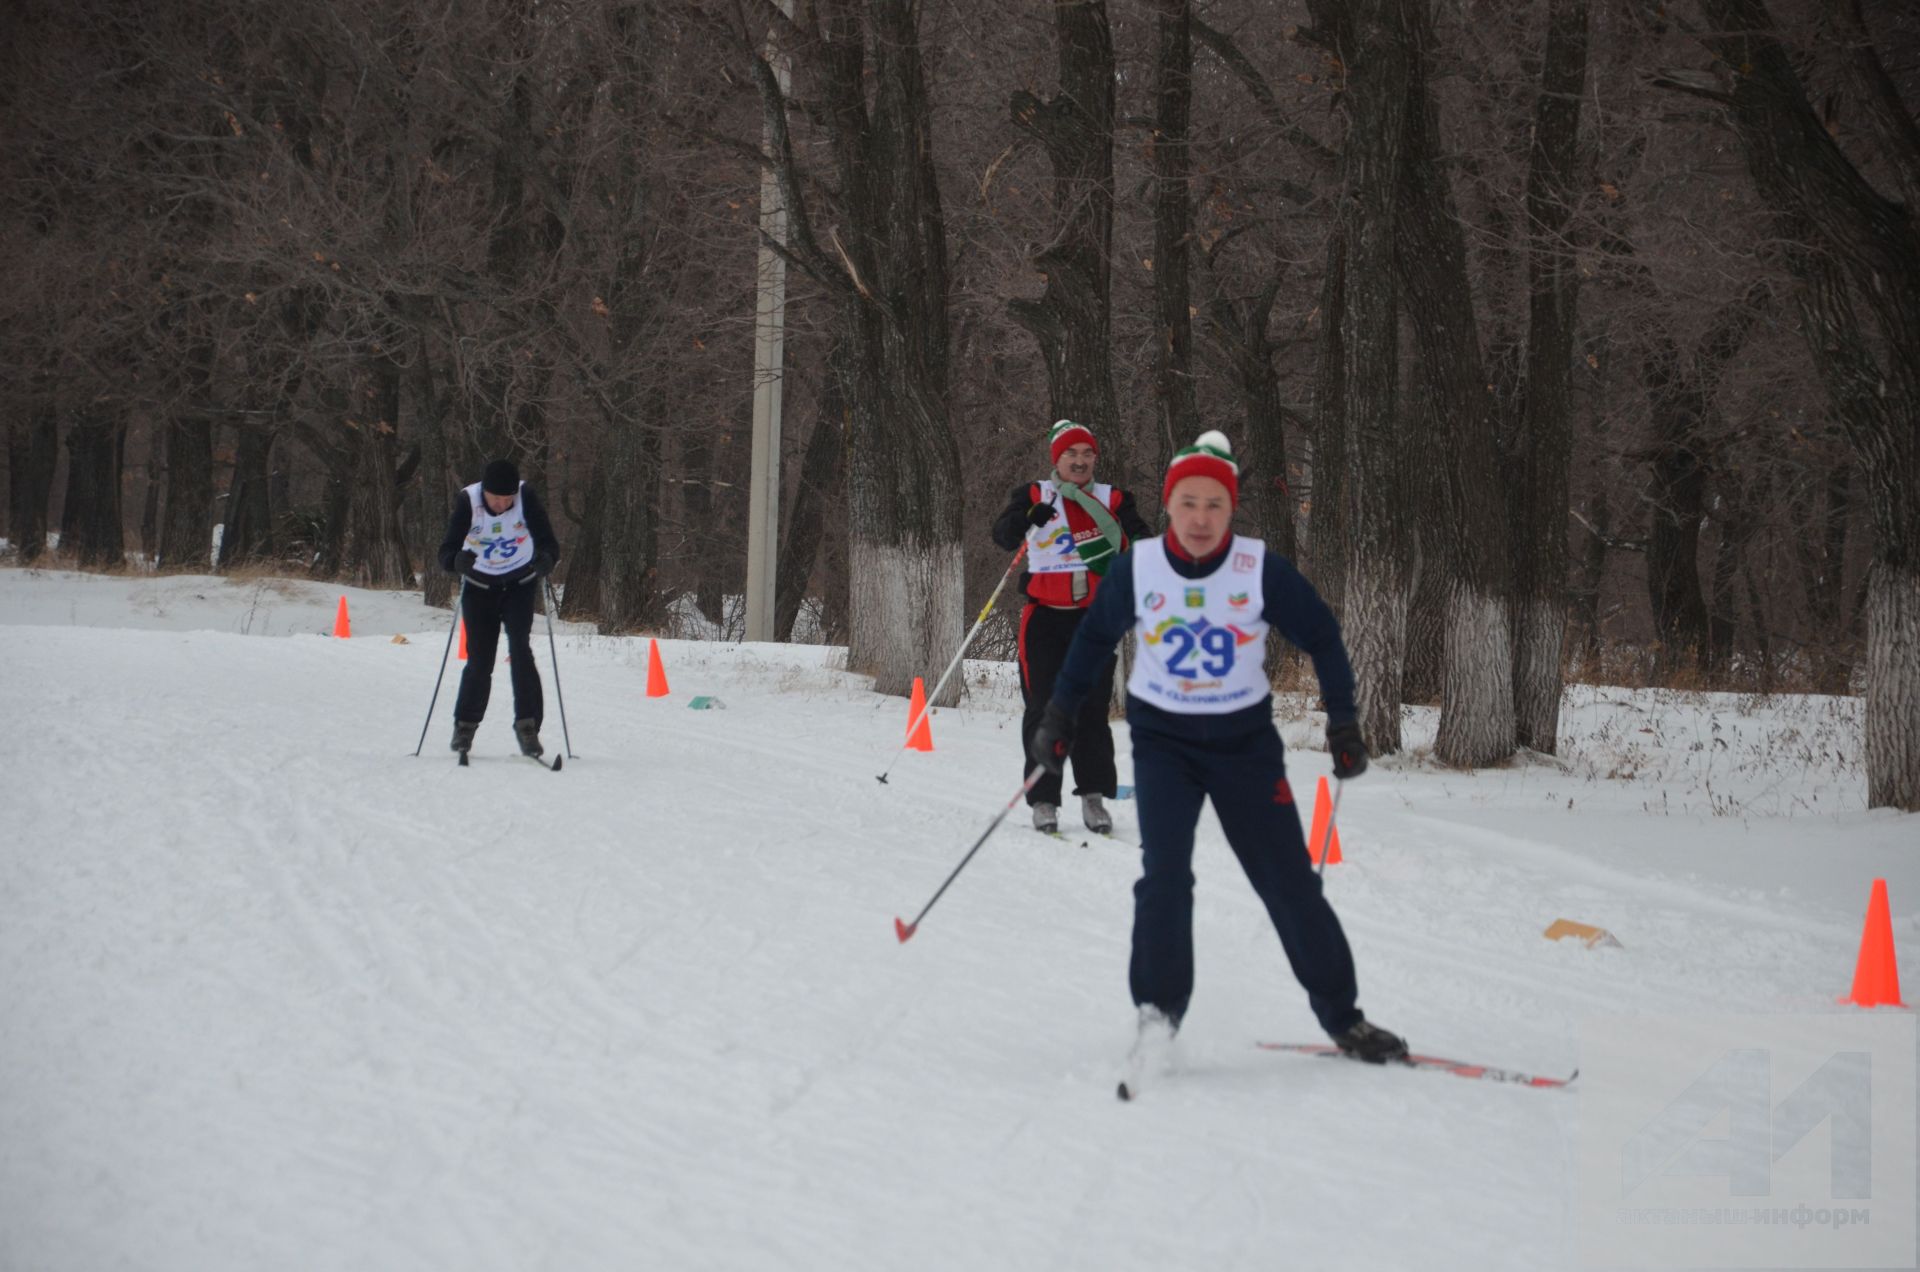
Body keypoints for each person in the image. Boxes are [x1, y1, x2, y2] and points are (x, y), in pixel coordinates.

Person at [1029, 430, 1407, 1064]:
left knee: (1288, 883)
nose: (1201, 519)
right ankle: (1157, 1016)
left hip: (1244, 746)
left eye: (1215, 505)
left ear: (1230, 510)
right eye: (1188, 504)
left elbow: (1322, 636)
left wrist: (1344, 723)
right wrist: (1059, 715)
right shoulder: (1139, 566)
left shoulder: (1258, 568)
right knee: (1166, 879)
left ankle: (1344, 1018)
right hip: (1163, 745)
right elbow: (1093, 642)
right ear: (1169, 507)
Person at [991, 419, 1153, 835]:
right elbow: (1004, 536)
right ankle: (1044, 799)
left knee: (1092, 709)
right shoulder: (1035, 494)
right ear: (1056, 460)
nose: (1079, 462)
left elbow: (1141, 539)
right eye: (1070, 455)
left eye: (1086, 454)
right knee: (1044, 707)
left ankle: (1094, 797)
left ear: (1095, 458)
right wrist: (1029, 516)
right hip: (1044, 617)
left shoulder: (1112, 498)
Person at [436, 459, 561, 758]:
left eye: (508, 499)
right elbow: (447, 550)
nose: (504, 504)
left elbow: (548, 542)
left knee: (520, 649)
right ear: (485, 493)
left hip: (519, 583)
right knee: (480, 659)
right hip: (480, 588)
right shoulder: (469, 501)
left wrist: (546, 558)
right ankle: (465, 726)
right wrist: (456, 562)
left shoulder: (525, 496)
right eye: (497, 498)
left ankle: (528, 727)